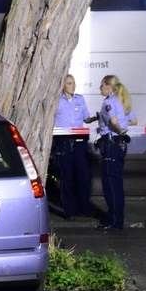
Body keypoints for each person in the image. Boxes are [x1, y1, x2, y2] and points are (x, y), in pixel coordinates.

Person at [89, 74, 132, 231]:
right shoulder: (118, 101)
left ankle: (113, 222)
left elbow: (113, 121)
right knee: (116, 183)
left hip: (111, 146)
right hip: (118, 146)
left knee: (110, 185)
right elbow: (132, 120)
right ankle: (117, 219)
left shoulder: (108, 102)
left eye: (101, 85)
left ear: (108, 86)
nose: (100, 88)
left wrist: (120, 131)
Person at [51, 74, 92, 220]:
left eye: (74, 83)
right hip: (63, 141)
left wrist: (97, 118)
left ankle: (83, 208)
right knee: (66, 177)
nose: (72, 85)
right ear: (63, 85)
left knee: (83, 176)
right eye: (69, 83)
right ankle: (70, 211)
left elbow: (87, 117)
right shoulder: (57, 101)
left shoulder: (80, 99)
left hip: (80, 141)